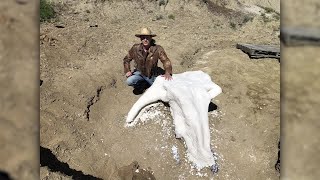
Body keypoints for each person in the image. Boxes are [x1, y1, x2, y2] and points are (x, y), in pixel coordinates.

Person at [123, 27, 173, 94]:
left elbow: (166, 61)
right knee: (129, 81)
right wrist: (127, 71)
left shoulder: (157, 49)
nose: (145, 40)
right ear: (140, 39)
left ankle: (147, 84)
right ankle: (142, 84)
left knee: (158, 90)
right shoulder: (135, 48)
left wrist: (167, 72)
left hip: (152, 74)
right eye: (143, 38)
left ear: (151, 38)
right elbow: (126, 59)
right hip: (139, 73)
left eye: (147, 37)